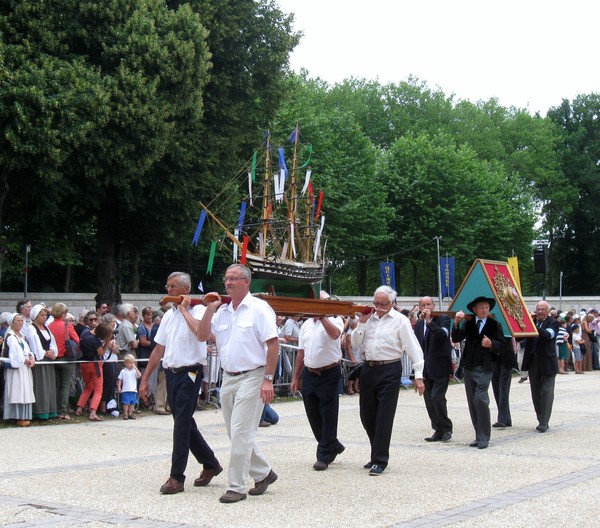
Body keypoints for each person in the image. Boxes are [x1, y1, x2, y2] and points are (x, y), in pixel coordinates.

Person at [198, 264, 279, 503]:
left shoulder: (259, 309)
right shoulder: (222, 311)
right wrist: (209, 309)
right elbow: (202, 336)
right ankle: (264, 473)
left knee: (242, 432)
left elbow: (273, 345)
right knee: (235, 432)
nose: (228, 283)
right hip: (229, 376)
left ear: (247, 282)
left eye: (234, 278)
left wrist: (268, 379)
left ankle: (237, 486)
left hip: (254, 375)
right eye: (226, 279)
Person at [139, 272, 221, 495]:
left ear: (185, 289)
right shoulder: (167, 316)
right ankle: (211, 463)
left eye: (173, 287)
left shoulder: (200, 309)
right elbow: (158, 349)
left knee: (181, 424)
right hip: (172, 372)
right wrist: (145, 378)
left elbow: (201, 334)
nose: (169, 291)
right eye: (168, 286)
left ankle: (177, 477)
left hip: (190, 373)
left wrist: (184, 309)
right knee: (184, 422)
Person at [351, 285, 425, 475]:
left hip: (390, 368)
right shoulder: (368, 319)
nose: (379, 307)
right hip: (369, 368)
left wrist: (418, 376)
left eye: (383, 303)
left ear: (391, 303)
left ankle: (380, 459)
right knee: (367, 415)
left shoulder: (400, 321)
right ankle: (376, 451)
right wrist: (361, 322)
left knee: (384, 415)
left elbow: (413, 348)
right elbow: (354, 343)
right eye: (376, 303)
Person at [290, 290, 345, 471]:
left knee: (328, 413)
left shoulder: (335, 319)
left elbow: (336, 334)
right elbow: (301, 351)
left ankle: (323, 455)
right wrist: (295, 377)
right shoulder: (306, 325)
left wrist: (322, 317)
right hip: (310, 372)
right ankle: (332, 444)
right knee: (312, 413)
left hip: (329, 371)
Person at [452, 296, 506, 449]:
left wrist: (491, 344)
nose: (484, 310)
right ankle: (478, 434)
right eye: (481, 307)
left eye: (486, 307)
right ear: (474, 309)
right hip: (469, 366)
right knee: (472, 401)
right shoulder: (468, 324)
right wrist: (456, 322)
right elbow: (456, 337)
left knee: (480, 399)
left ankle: (484, 436)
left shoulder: (495, 325)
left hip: (485, 367)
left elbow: (502, 346)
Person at [413, 296, 453, 443]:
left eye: (428, 304)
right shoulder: (418, 324)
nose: (426, 307)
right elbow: (417, 347)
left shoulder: (443, 319)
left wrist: (429, 321)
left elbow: (443, 336)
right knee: (429, 401)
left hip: (440, 366)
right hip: (425, 368)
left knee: (437, 397)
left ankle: (447, 427)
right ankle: (438, 429)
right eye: (423, 304)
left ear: (434, 305)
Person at [521, 300, 559, 432]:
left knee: (547, 392)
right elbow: (520, 338)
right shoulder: (533, 322)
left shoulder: (553, 322)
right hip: (533, 362)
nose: (540, 312)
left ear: (548, 311)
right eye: (538, 309)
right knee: (535, 392)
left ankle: (544, 422)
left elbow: (547, 335)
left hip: (547, 363)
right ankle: (540, 417)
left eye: (543, 309)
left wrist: (532, 325)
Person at [75, 322, 117, 421]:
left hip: (84, 363)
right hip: (94, 365)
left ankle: (79, 408)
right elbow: (101, 352)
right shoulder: (96, 341)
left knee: (88, 387)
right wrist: (107, 342)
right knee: (98, 389)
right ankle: (93, 412)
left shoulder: (85, 333)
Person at [26, 304, 58, 420]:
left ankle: (50, 410)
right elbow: (34, 345)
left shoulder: (47, 328)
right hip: (39, 361)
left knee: (49, 385)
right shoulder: (31, 328)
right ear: (36, 316)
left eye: (45, 315)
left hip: (48, 360)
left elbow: (52, 343)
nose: (44, 317)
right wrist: (45, 353)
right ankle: (40, 411)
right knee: (41, 385)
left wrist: (53, 352)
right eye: (42, 315)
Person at [3, 313, 36, 426]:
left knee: (25, 390)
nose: (20, 323)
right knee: (17, 390)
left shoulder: (21, 336)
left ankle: (24, 416)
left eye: (22, 321)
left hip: (24, 368)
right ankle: (16, 416)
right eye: (18, 321)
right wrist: (25, 360)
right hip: (16, 369)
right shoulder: (11, 337)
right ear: (12, 323)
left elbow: (27, 350)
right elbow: (15, 353)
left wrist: (31, 357)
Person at [48, 303, 80, 420]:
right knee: (65, 386)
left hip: (53, 359)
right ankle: (63, 411)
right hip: (66, 359)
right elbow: (76, 340)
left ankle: (54, 410)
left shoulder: (50, 326)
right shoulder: (67, 325)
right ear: (63, 314)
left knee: (55, 385)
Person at [492, 336, 517, 429]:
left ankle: (502, 419)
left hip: (506, 357)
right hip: (494, 357)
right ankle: (506, 418)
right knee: (496, 389)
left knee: (503, 388)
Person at [118, 354, 141, 420]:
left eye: (133, 362)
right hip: (125, 390)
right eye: (130, 363)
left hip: (133, 389)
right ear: (125, 363)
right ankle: (125, 414)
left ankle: (130, 413)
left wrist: (135, 368)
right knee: (126, 403)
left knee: (132, 402)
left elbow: (139, 375)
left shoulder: (134, 371)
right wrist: (119, 387)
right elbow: (120, 379)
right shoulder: (123, 371)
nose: (132, 364)